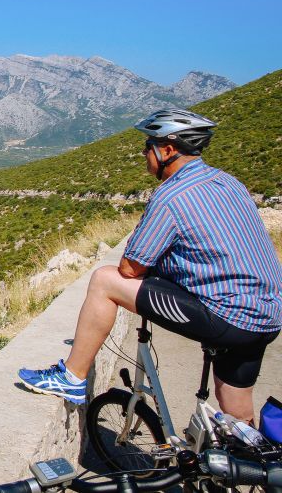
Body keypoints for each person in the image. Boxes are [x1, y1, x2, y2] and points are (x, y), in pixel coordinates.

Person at [18, 108, 282, 422]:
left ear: (167, 150)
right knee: (236, 409)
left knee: (104, 280)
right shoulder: (229, 182)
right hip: (267, 315)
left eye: (148, 146)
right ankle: (246, 450)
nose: (144, 153)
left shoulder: (172, 196)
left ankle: (72, 377)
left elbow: (131, 269)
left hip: (226, 315)